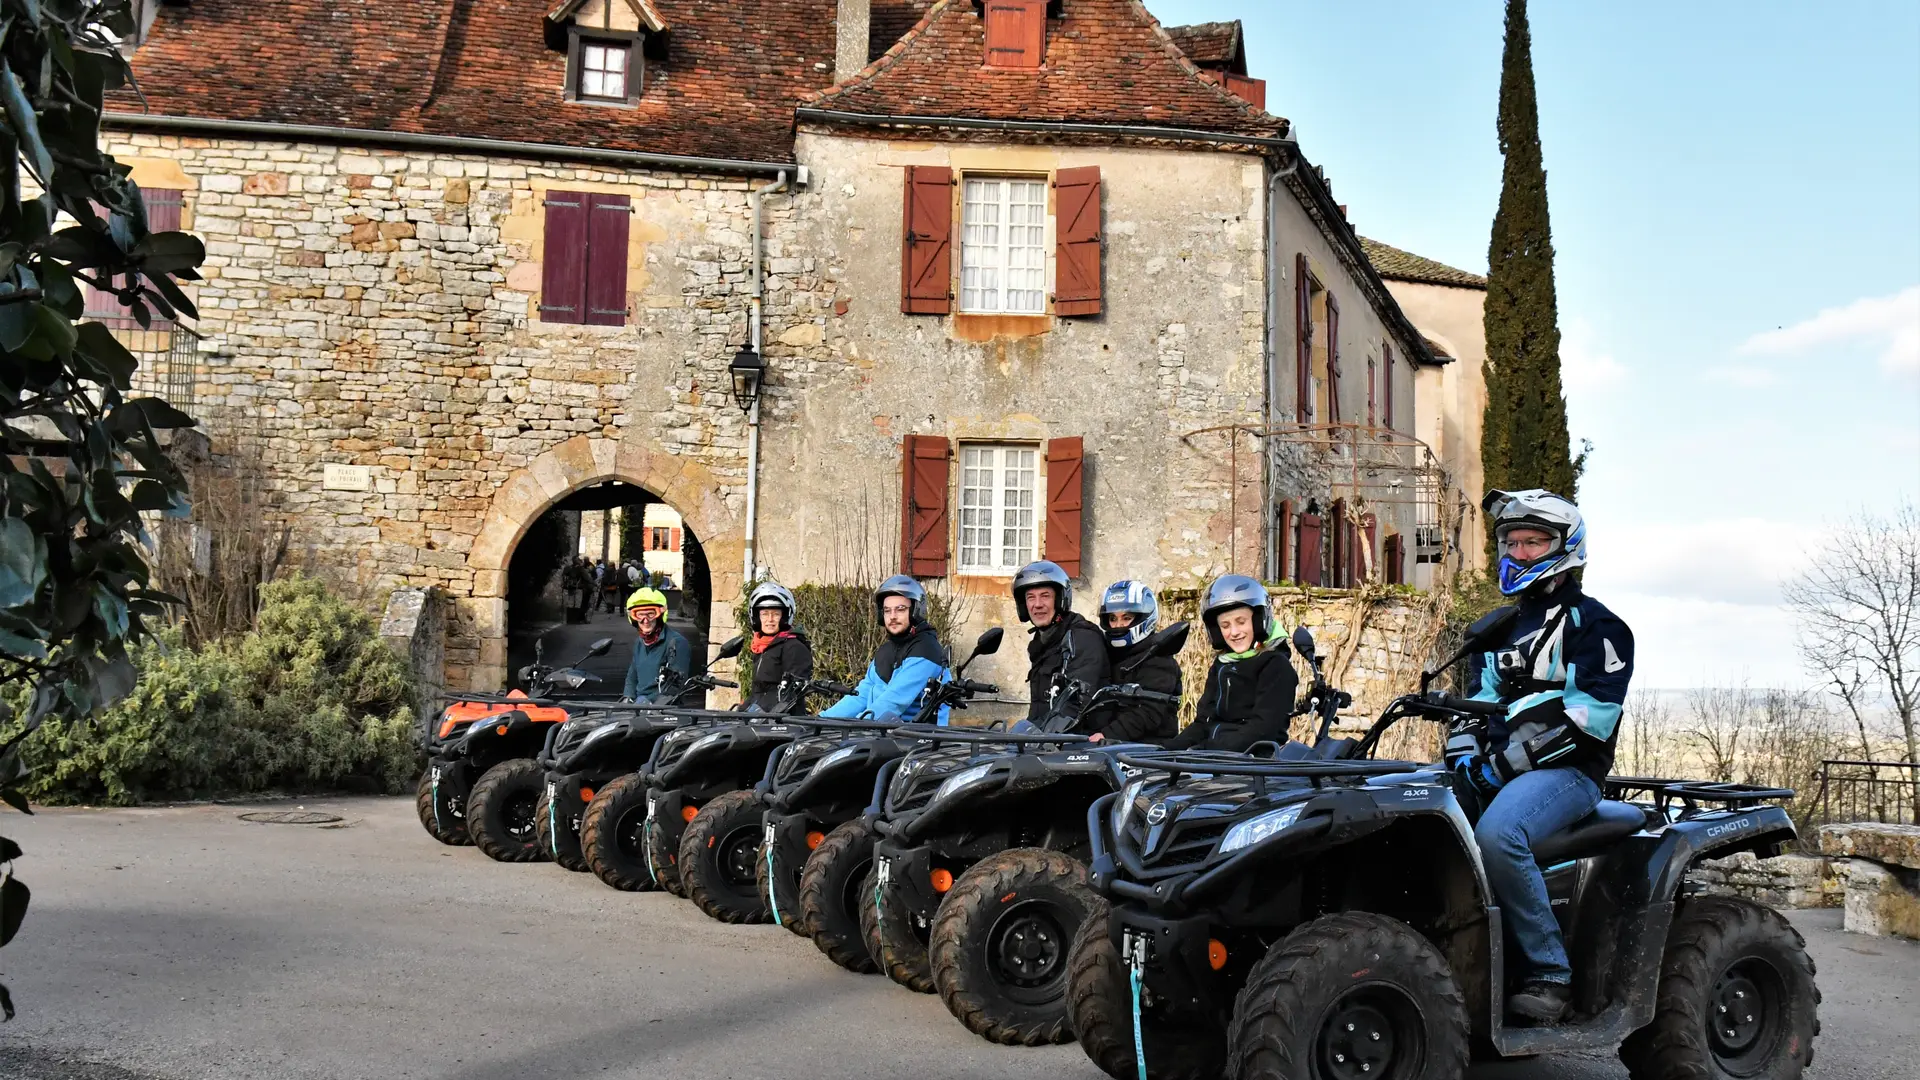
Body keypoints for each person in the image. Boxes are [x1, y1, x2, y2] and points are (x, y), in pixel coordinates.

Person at [1452, 489, 1634, 1024]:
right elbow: (1477, 700)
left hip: (1570, 772)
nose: (1521, 551)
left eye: (1534, 541)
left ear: (1564, 546)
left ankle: (1550, 974)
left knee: (1498, 836)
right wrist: (1464, 753)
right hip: (1496, 767)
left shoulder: (1597, 625)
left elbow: (1589, 722)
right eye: (1513, 541)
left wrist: (1501, 766)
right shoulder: (1499, 626)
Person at [1160, 574, 1297, 751]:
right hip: (1217, 760)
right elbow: (1203, 724)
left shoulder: (1276, 665)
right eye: (1225, 626)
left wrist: (1205, 750)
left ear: (1258, 621)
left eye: (1241, 622)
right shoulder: (1221, 665)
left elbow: (1264, 729)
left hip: (1252, 764)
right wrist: (1165, 750)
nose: (1234, 632)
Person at [820, 576, 952, 725]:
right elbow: (862, 694)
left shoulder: (926, 650)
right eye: (887, 611)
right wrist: (823, 719)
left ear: (916, 610)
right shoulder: (887, 650)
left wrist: (857, 725)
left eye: (900, 609)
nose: (893, 617)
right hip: (886, 733)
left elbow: (894, 701)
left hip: (919, 738)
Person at [1078, 580, 1181, 743]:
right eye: (1112, 618)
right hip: (1110, 746)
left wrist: (1106, 735)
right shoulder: (1107, 655)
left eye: (1126, 618)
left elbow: (1148, 712)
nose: (1118, 625)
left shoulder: (1159, 659)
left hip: (1148, 752)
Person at [1012, 560, 1109, 731]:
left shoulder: (1082, 637)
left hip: (1078, 744)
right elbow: (1040, 709)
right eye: (1030, 597)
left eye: (1045, 596)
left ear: (1060, 600)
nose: (1037, 604)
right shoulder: (1042, 642)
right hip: (1049, 740)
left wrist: (1042, 740)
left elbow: (1075, 704)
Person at [744, 581, 815, 712]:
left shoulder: (793, 647)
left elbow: (791, 694)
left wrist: (766, 715)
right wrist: (741, 710)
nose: (770, 619)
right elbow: (758, 692)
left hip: (783, 722)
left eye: (776, 614)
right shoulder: (762, 647)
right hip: (760, 718)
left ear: (784, 617)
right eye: (764, 614)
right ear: (756, 617)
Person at [621, 587, 694, 703]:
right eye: (639, 615)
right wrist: (627, 697)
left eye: (651, 614)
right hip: (639, 706)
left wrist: (651, 706)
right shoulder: (639, 643)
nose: (645, 620)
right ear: (633, 618)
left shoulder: (677, 643)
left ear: (660, 615)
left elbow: (675, 686)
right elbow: (633, 674)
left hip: (664, 710)